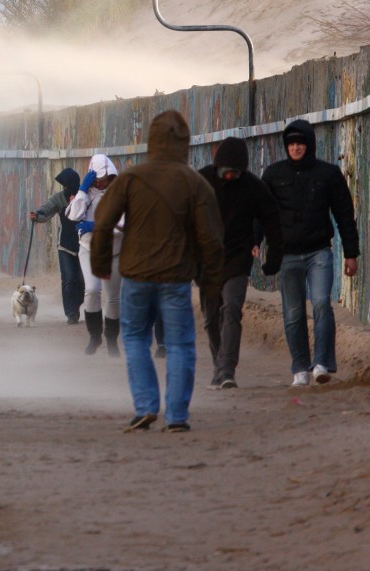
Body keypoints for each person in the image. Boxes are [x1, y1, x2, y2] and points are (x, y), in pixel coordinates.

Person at [91, 110, 224, 433]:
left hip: (136, 274)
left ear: (150, 139)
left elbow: (104, 222)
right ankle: (177, 416)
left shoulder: (132, 178)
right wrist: (210, 284)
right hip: (176, 277)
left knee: (135, 339)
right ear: (185, 143)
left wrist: (100, 264)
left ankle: (145, 407)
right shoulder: (195, 181)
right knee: (180, 345)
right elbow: (211, 238)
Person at [260, 119, 359, 387]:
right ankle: (300, 369)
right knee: (292, 313)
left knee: (321, 305)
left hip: (319, 253)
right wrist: (254, 242)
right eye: (291, 143)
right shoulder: (273, 174)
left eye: (300, 143)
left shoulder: (328, 174)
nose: (295, 147)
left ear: (309, 145)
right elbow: (262, 215)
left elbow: (345, 216)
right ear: (286, 146)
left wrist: (351, 253)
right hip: (287, 255)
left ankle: (322, 364)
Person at [198, 137, 283, 389]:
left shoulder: (253, 187)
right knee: (210, 318)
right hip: (206, 261)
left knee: (232, 309)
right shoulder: (200, 182)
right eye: (225, 172)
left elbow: (272, 221)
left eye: (234, 173)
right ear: (217, 168)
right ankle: (218, 364)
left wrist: (274, 258)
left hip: (237, 258)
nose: (229, 177)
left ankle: (226, 370)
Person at [66, 154, 123, 355]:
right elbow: (73, 215)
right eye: (96, 179)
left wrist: (96, 226)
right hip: (88, 248)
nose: (100, 183)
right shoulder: (87, 192)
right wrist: (82, 190)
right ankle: (95, 336)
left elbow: (123, 224)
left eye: (103, 179)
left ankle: (112, 340)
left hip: (114, 250)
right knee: (91, 290)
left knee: (113, 297)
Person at [28, 168, 84, 324]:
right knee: (69, 279)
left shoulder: (84, 197)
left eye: (67, 186)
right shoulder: (59, 198)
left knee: (81, 281)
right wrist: (37, 215)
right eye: (64, 186)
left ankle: (77, 304)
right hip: (65, 246)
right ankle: (71, 313)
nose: (65, 189)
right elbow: (47, 209)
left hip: (84, 247)